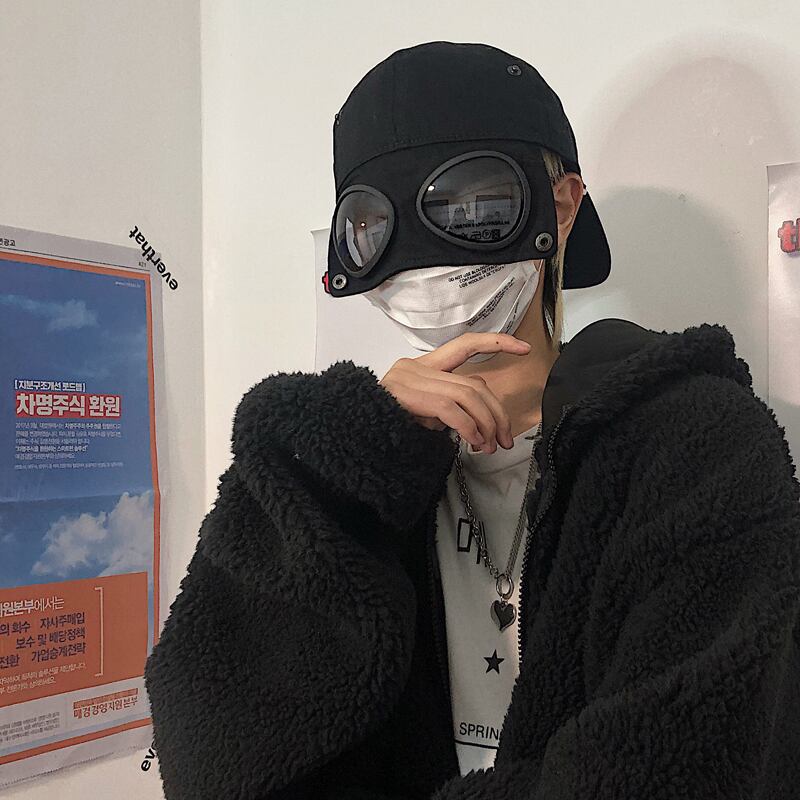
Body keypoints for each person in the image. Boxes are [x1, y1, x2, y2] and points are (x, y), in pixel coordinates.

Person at [144, 42, 800, 800]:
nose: (425, 261)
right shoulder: (340, 470)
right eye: (373, 226)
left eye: (476, 205)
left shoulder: (697, 452)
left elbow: (684, 761)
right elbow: (219, 749)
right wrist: (350, 456)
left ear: (561, 206)